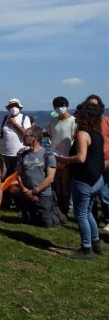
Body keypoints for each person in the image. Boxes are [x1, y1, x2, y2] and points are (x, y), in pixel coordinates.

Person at [56, 102, 105, 259]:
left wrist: (62, 158)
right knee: (89, 211)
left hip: (84, 180)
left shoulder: (83, 134)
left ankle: (86, 248)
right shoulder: (97, 133)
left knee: (81, 214)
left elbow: (81, 157)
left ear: (84, 115)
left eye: (78, 113)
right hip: (97, 179)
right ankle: (95, 242)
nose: (75, 115)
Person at [15, 127, 61, 227]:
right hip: (26, 194)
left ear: (34, 138)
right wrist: (25, 191)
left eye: (26, 136)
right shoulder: (23, 155)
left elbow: (50, 178)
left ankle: (56, 215)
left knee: (46, 223)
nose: (23, 137)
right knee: (27, 220)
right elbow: (18, 174)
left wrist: (35, 191)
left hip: (43, 194)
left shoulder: (47, 155)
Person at [45, 96, 76, 216]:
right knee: (56, 184)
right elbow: (49, 133)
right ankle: (58, 208)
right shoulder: (53, 120)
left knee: (66, 184)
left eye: (62, 106)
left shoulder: (73, 121)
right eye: (57, 106)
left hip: (67, 157)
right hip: (54, 156)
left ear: (67, 106)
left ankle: (68, 209)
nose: (60, 108)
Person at [84, 95, 109, 232]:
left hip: (106, 161)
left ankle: (107, 220)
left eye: (94, 106)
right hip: (91, 163)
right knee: (91, 194)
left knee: (105, 194)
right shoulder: (85, 125)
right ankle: (92, 218)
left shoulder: (106, 121)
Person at [0, 98, 31, 179]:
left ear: (19, 108)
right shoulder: (5, 118)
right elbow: (1, 133)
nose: (13, 108)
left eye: (16, 106)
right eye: (11, 106)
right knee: (3, 176)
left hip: (19, 154)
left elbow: (27, 134)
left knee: (16, 176)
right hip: (4, 153)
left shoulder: (25, 118)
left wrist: (14, 123)